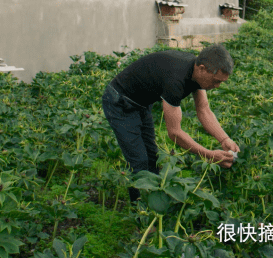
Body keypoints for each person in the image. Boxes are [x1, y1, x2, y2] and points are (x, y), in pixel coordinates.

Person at [101, 43, 240, 201]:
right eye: (216, 81)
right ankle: (141, 215)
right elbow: (174, 133)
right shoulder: (176, 79)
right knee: (139, 162)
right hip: (120, 102)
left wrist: (224, 139)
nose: (217, 86)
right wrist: (208, 155)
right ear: (202, 68)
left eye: (221, 82)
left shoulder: (196, 71)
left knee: (152, 158)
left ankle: (153, 206)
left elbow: (204, 110)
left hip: (141, 103)